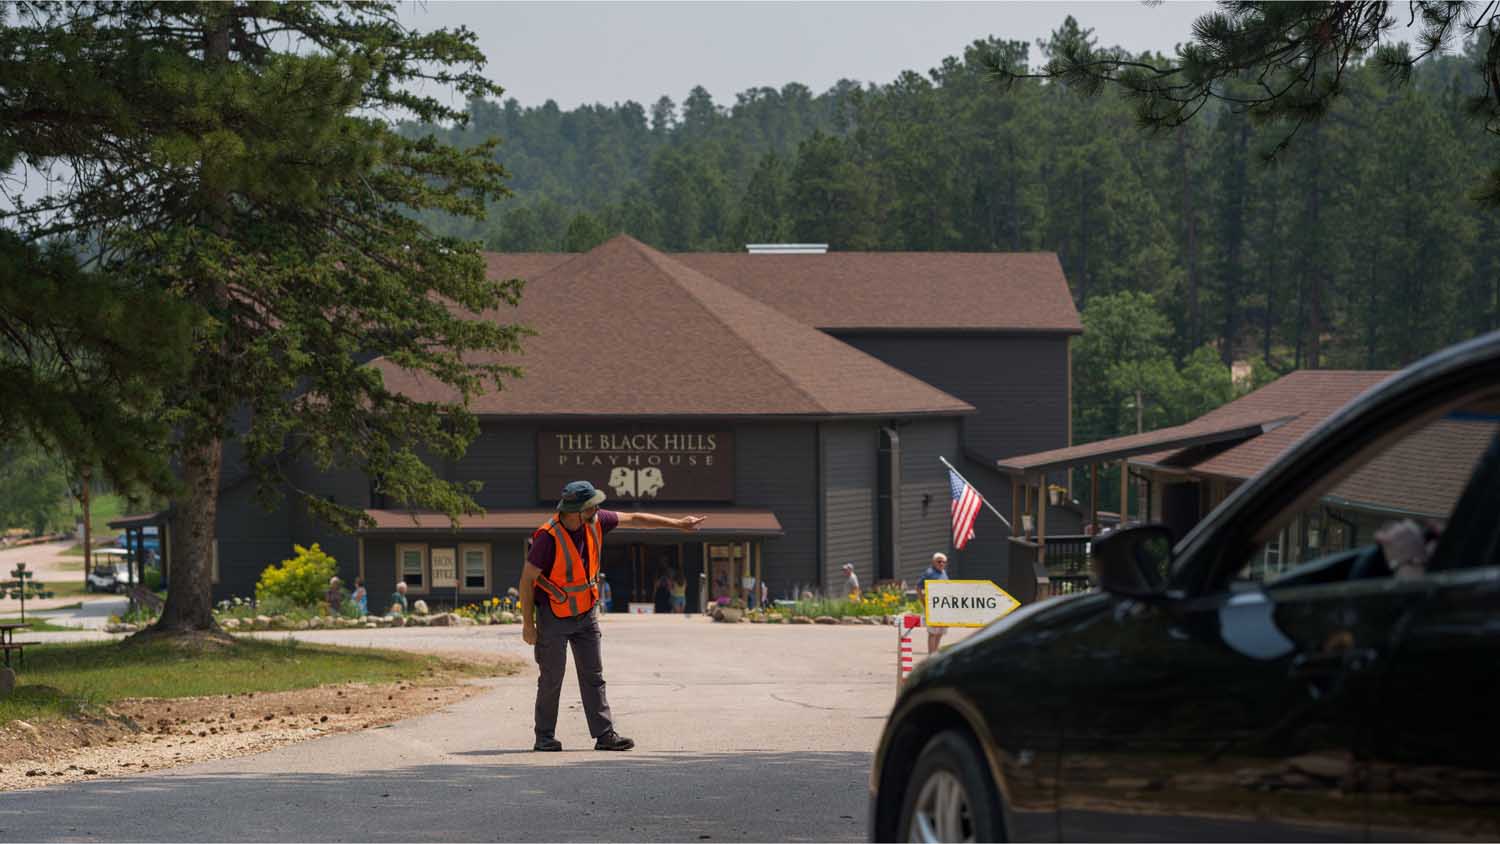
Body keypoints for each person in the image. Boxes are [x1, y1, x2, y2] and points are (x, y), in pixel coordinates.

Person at [520, 480, 704, 752]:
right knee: (551, 677)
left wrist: (677, 524)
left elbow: (636, 519)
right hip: (553, 615)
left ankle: (605, 735)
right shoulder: (548, 537)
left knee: (594, 675)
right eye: (593, 505)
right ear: (577, 510)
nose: (599, 508)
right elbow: (526, 580)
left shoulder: (596, 521)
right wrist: (528, 624)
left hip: (586, 612)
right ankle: (544, 737)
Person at [919, 552, 950, 654]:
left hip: (943, 607)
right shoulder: (929, 573)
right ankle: (931, 655)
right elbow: (919, 588)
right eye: (939, 561)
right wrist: (924, 603)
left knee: (940, 632)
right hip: (932, 606)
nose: (942, 564)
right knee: (933, 632)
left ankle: (935, 653)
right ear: (933, 562)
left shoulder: (944, 573)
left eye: (944, 562)